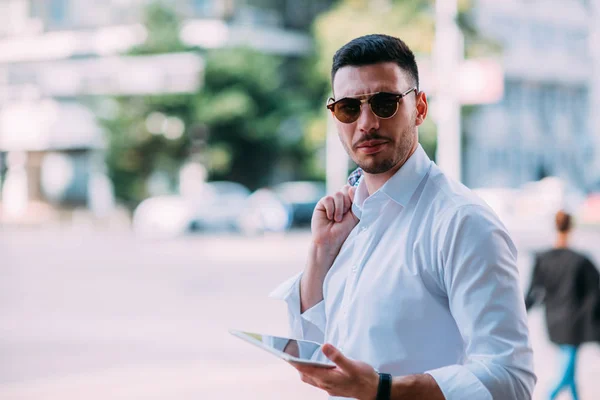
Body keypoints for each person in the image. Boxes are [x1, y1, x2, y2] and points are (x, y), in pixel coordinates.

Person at [269, 34, 536, 400]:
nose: (366, 123)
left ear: (420, 108)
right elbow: (317, 357)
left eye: (384, 103)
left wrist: (384, 390)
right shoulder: (349, 219)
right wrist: (320, 253)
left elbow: (510, 378)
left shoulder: (461, 221)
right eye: (349, 108)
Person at [525, 210, 600, 400]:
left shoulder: (543, 259)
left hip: (553, 322)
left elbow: (532, 294)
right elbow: (595, 293)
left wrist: (517, 317)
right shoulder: (581, 261)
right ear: (571, 227)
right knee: (565, 371)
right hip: (575, 323)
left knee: (570, 371)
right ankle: (548, 397)